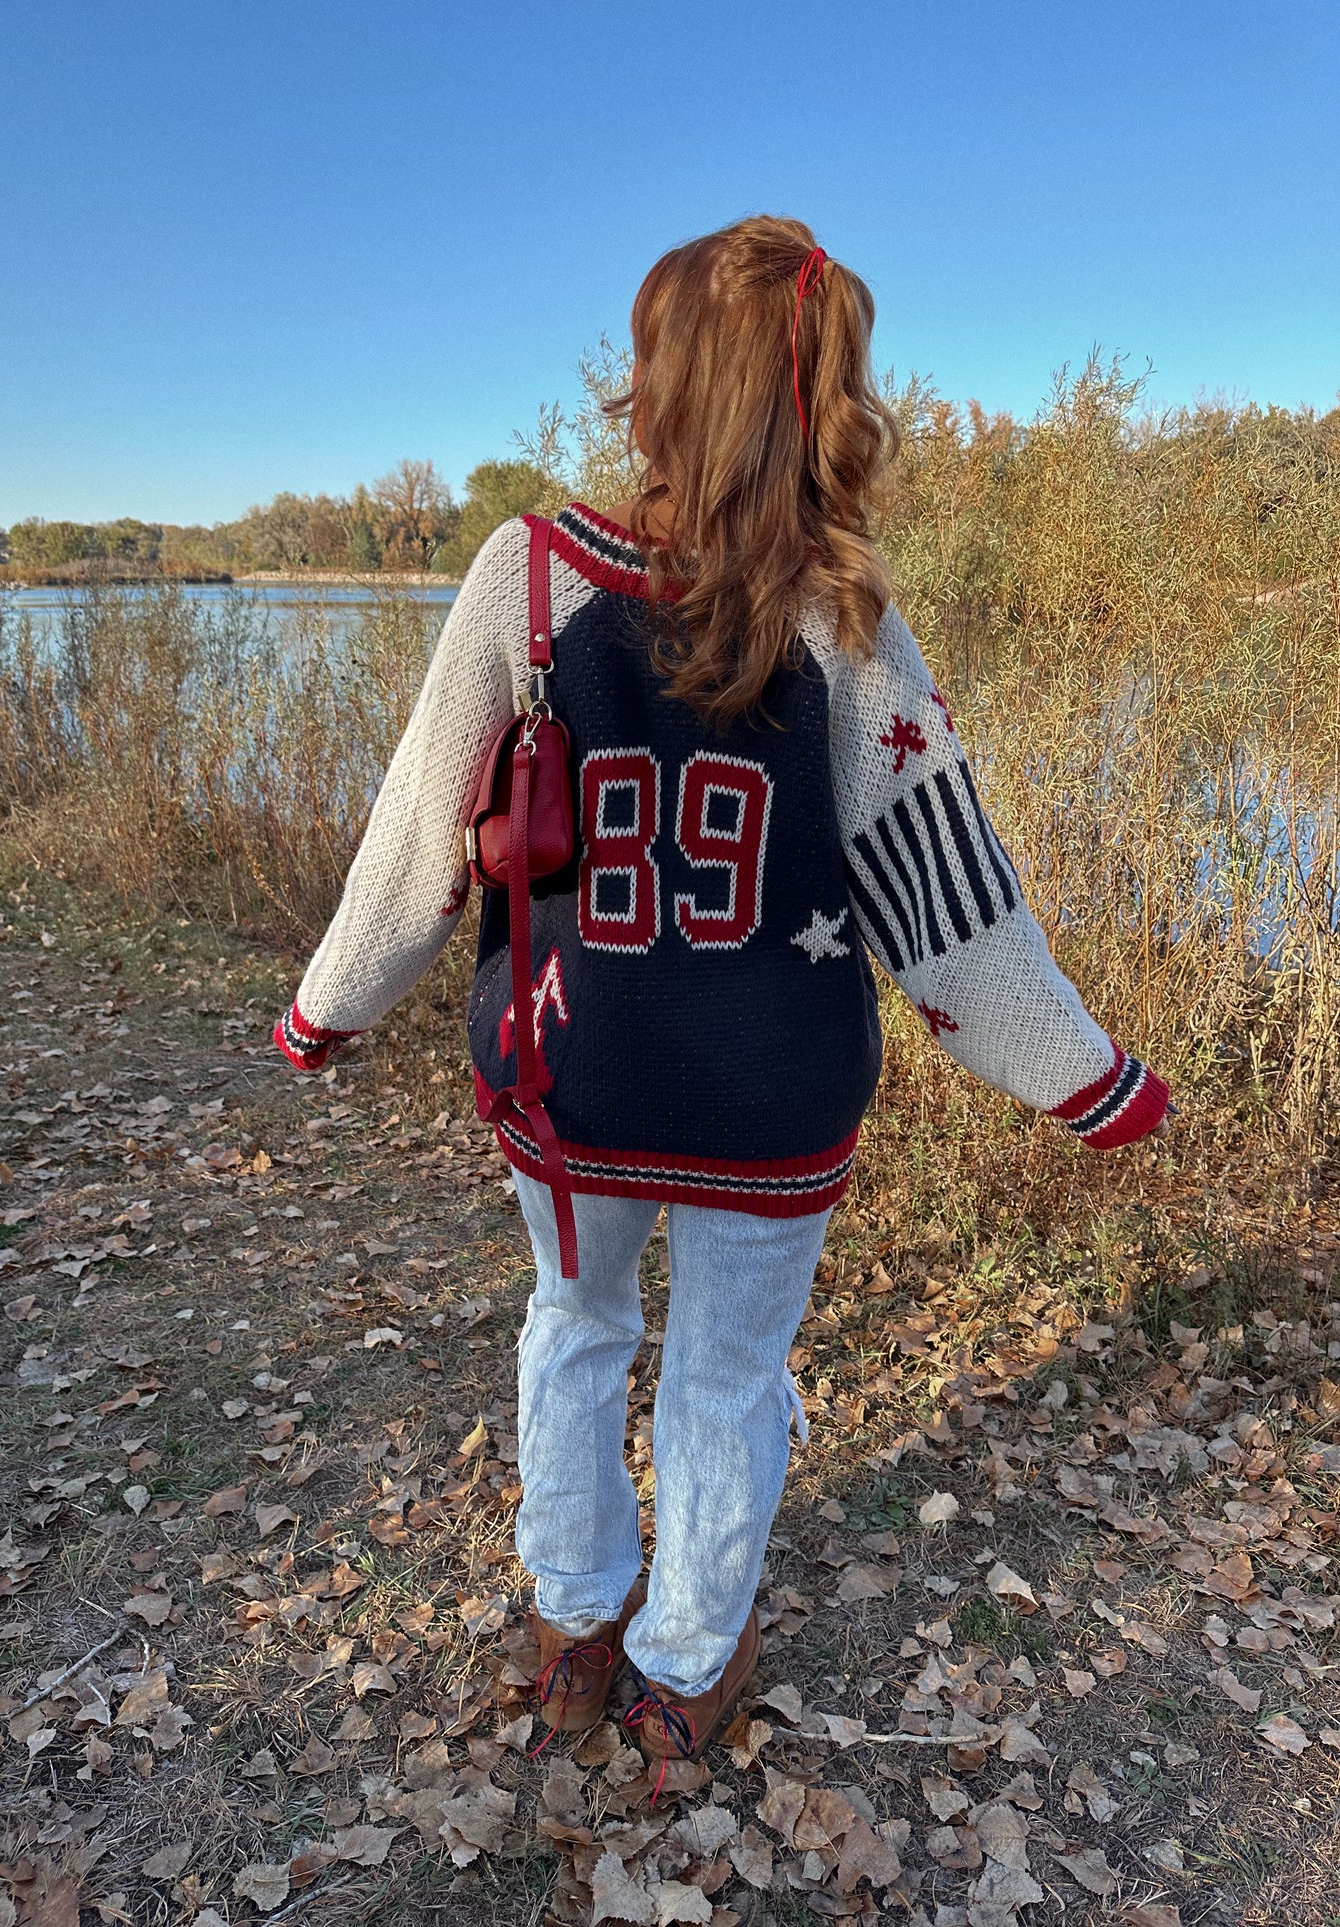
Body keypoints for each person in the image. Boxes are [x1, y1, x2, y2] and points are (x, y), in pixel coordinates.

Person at [274, 215, 1170, 1776]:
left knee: (572, 1328)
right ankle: (688, 1670)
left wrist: (331, 1002)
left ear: (655, 385)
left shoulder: (528, 572)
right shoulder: (846, 620)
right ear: (828, 392)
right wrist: (1080, 1073)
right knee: (728, 1374)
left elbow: (420, 824)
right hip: (771, 1095)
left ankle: (572, 1629)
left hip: (573, 1078)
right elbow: (945, 892)